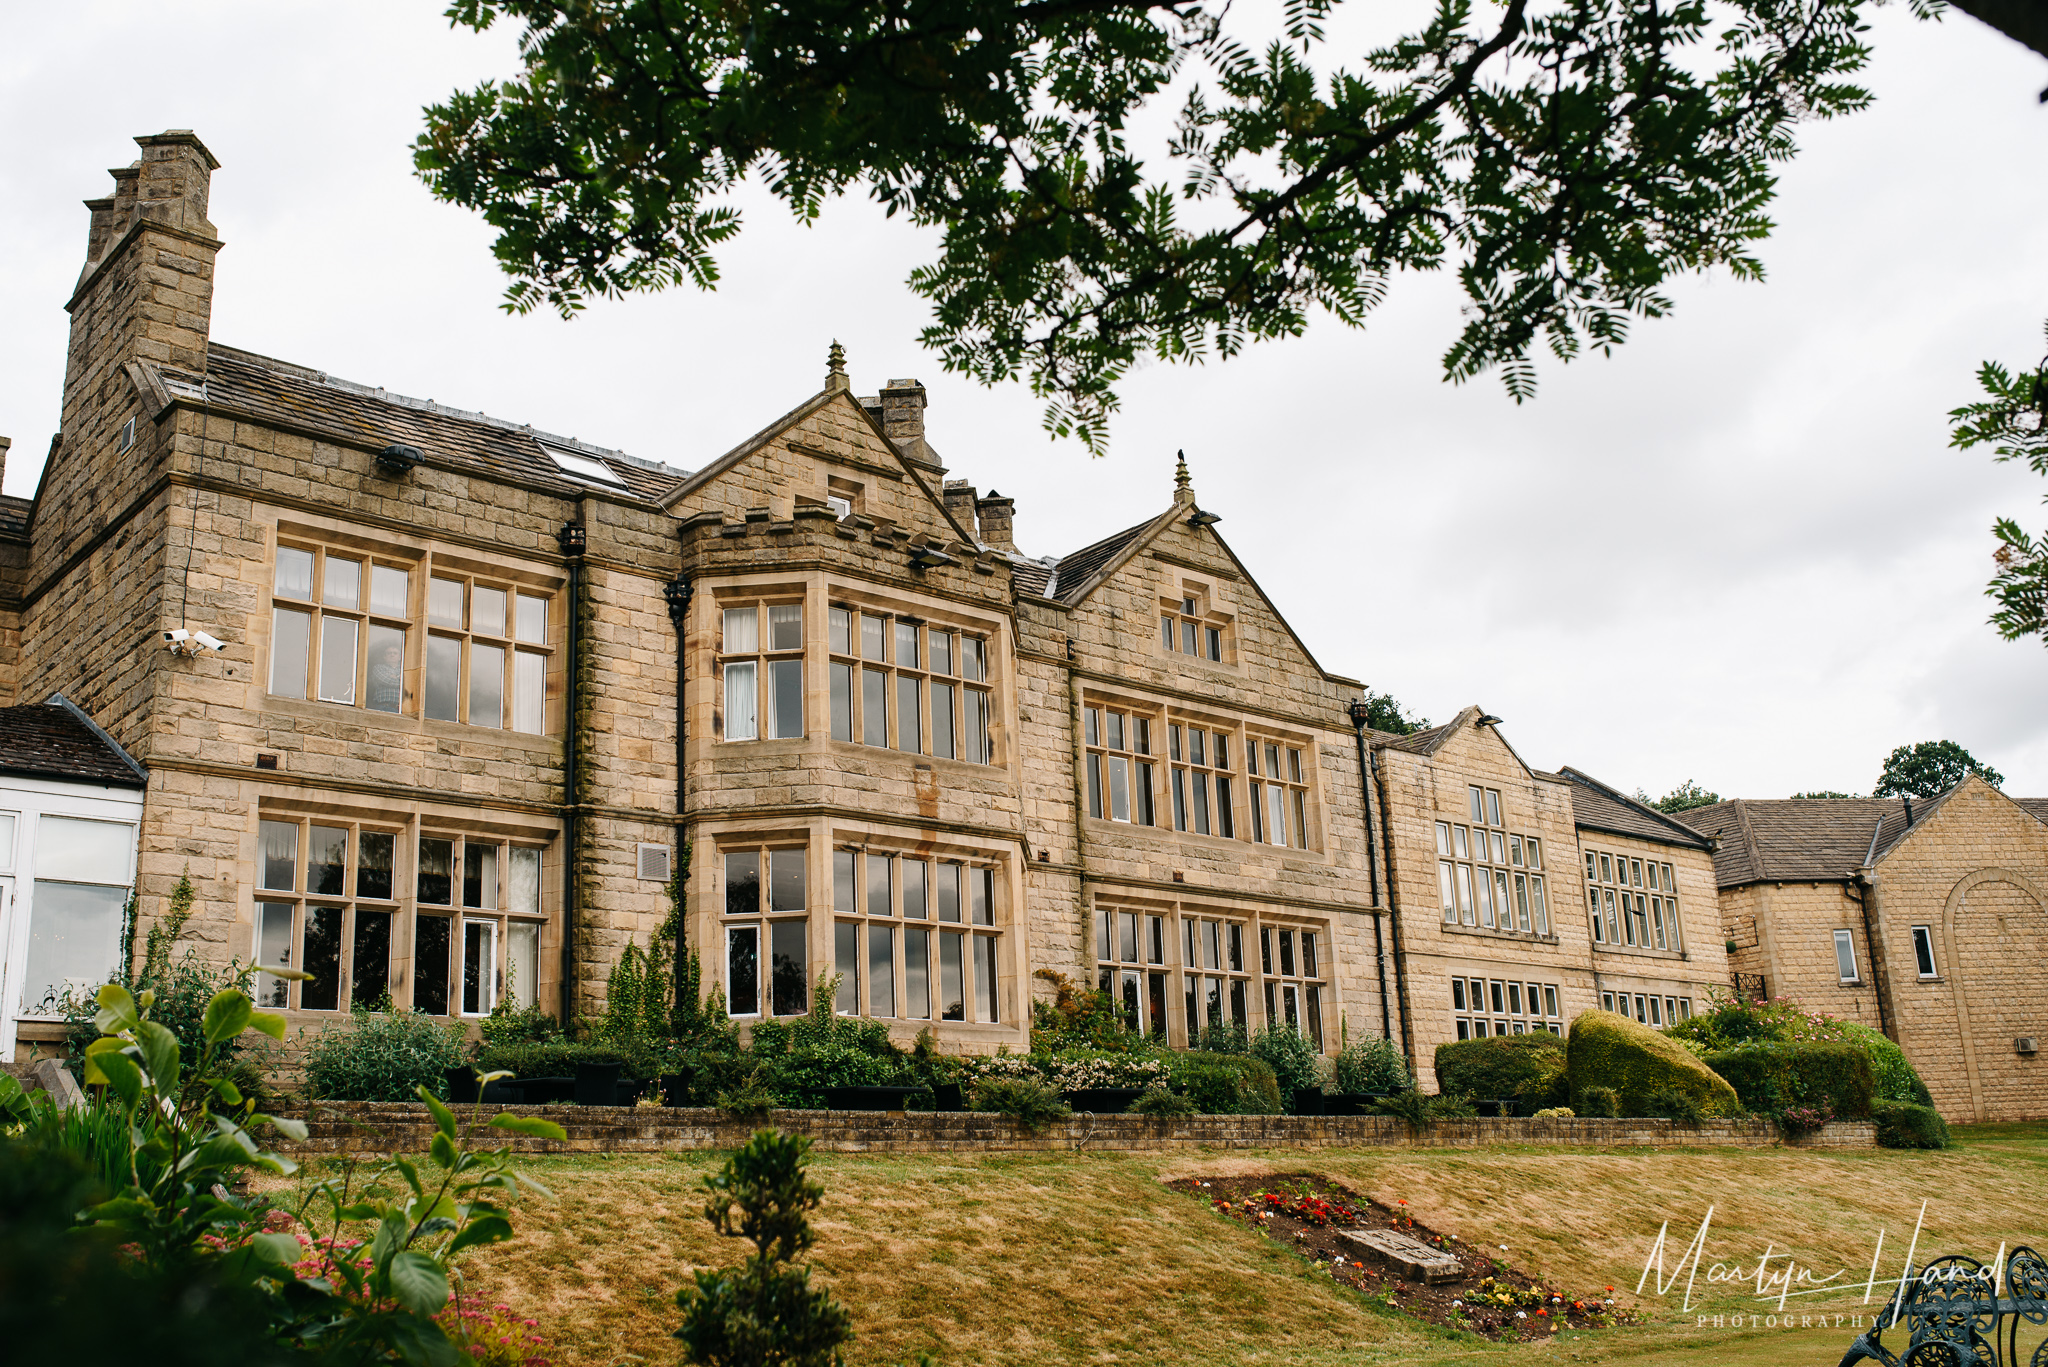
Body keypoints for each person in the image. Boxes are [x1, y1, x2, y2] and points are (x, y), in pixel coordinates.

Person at [367, 638, 404, 712]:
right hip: (383, 707)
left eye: (395, 653)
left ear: (399, 657)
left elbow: (409, 685)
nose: (392, 655)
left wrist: (393, 677)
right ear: (384, 657)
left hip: (400, 709)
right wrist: (399, 679)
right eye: (389, 653)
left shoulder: (404, 671)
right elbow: (387, 681)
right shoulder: (378, 668)